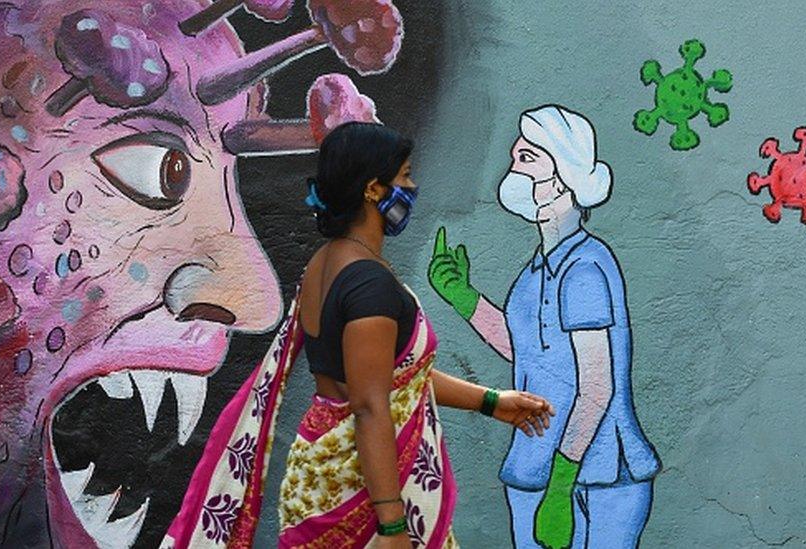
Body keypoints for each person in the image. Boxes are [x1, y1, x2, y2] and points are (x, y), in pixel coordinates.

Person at [165, 122, 555, 548]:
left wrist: (491, 401)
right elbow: (370, 406)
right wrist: (391, 525)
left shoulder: (324, 264)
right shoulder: (370, 285)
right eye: (404, 175)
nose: (412, 186)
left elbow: (390, 377)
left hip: (320, 477)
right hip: (360, 497)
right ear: (373, 190)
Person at [428, 105, 661, 549]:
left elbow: (598, 387)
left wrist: (561, 487)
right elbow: (530, 350)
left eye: (526, 158)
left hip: (597, 477)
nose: (513, 167)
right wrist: (464, 297)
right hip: (536, 467)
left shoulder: (586, 270)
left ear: (561, 176)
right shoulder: (535, 272)